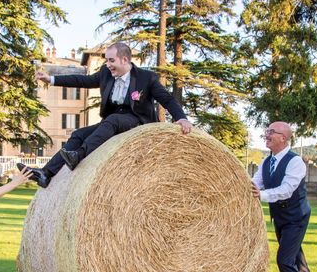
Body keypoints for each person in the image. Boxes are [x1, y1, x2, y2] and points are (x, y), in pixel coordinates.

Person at [18, 41, 193, 187]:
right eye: (106, 61)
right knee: (79, 134)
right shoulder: (106, 74)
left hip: (137, 122)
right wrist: (52, 79)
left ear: (124, 59)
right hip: (112, 122)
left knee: (113, 120)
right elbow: (83, 81)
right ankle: (46, 173)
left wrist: (181, 118)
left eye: (111, 60)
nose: (108, 64)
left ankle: (78, 155)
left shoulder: (146, 78)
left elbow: (167, 99)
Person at [251, 122, 317, 272]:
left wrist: (261, 195)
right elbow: (256, 182)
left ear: (283, 137)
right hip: (280, 217)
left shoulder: (295, 161)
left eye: (271, 132)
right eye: (267, 131)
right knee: (297, 258)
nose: (267, 135)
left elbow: (286, 189)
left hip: (296, 217)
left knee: (285, 260)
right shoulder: (267, 161)